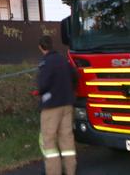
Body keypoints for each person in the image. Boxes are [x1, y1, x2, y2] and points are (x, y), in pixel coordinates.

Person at [36, 35, 77, 175]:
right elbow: (75, 76)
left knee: (48, 141)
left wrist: (40, 92)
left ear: (41, 47)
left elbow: (43, 85)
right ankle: (70, 171)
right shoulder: (63, 60)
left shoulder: (45, 63)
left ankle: (54, 172)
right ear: (52, 45)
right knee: (67, 139)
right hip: (67, 104)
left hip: (51, 107)